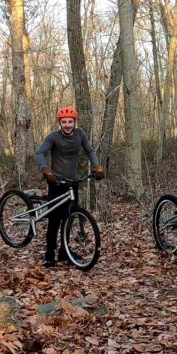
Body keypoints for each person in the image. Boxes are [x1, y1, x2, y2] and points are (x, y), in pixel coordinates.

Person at [35, 106, 105, 267]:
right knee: (54, 219)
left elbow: (90, 151)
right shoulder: (53, 137)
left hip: (72, 182)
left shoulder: (80, 134)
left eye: (70, 122)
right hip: (56, 182)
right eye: (64, 122)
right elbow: (40, 153)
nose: (67, 125)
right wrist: (45, 169)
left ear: (75, 122)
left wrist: (97, 166)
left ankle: (64, 251)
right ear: (59, 123)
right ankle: (50, 253)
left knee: (69, 217)